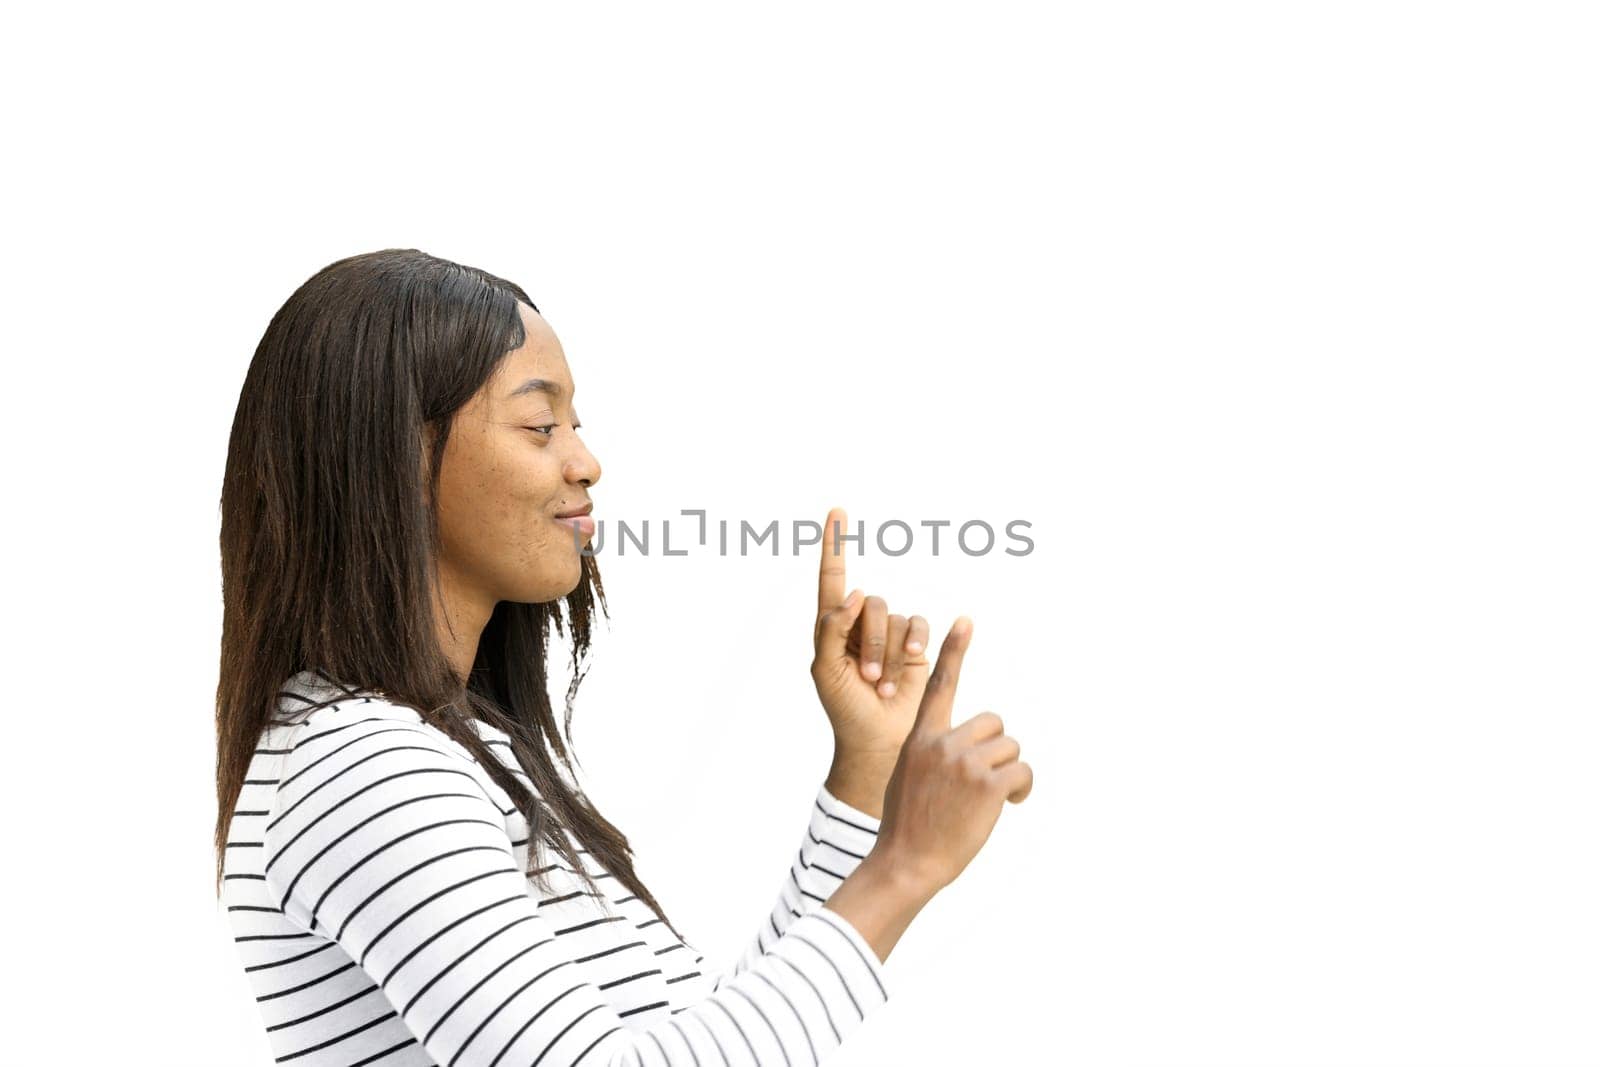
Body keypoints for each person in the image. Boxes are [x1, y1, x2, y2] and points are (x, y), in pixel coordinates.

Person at [215, 248, 1033, 1065]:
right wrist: (905, 865)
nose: (585, 462)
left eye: (576, 425)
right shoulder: (361, 764)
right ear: (401, 455)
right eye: (540, 425)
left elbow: (695, 1043)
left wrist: (864, 777)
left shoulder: (458, 751)